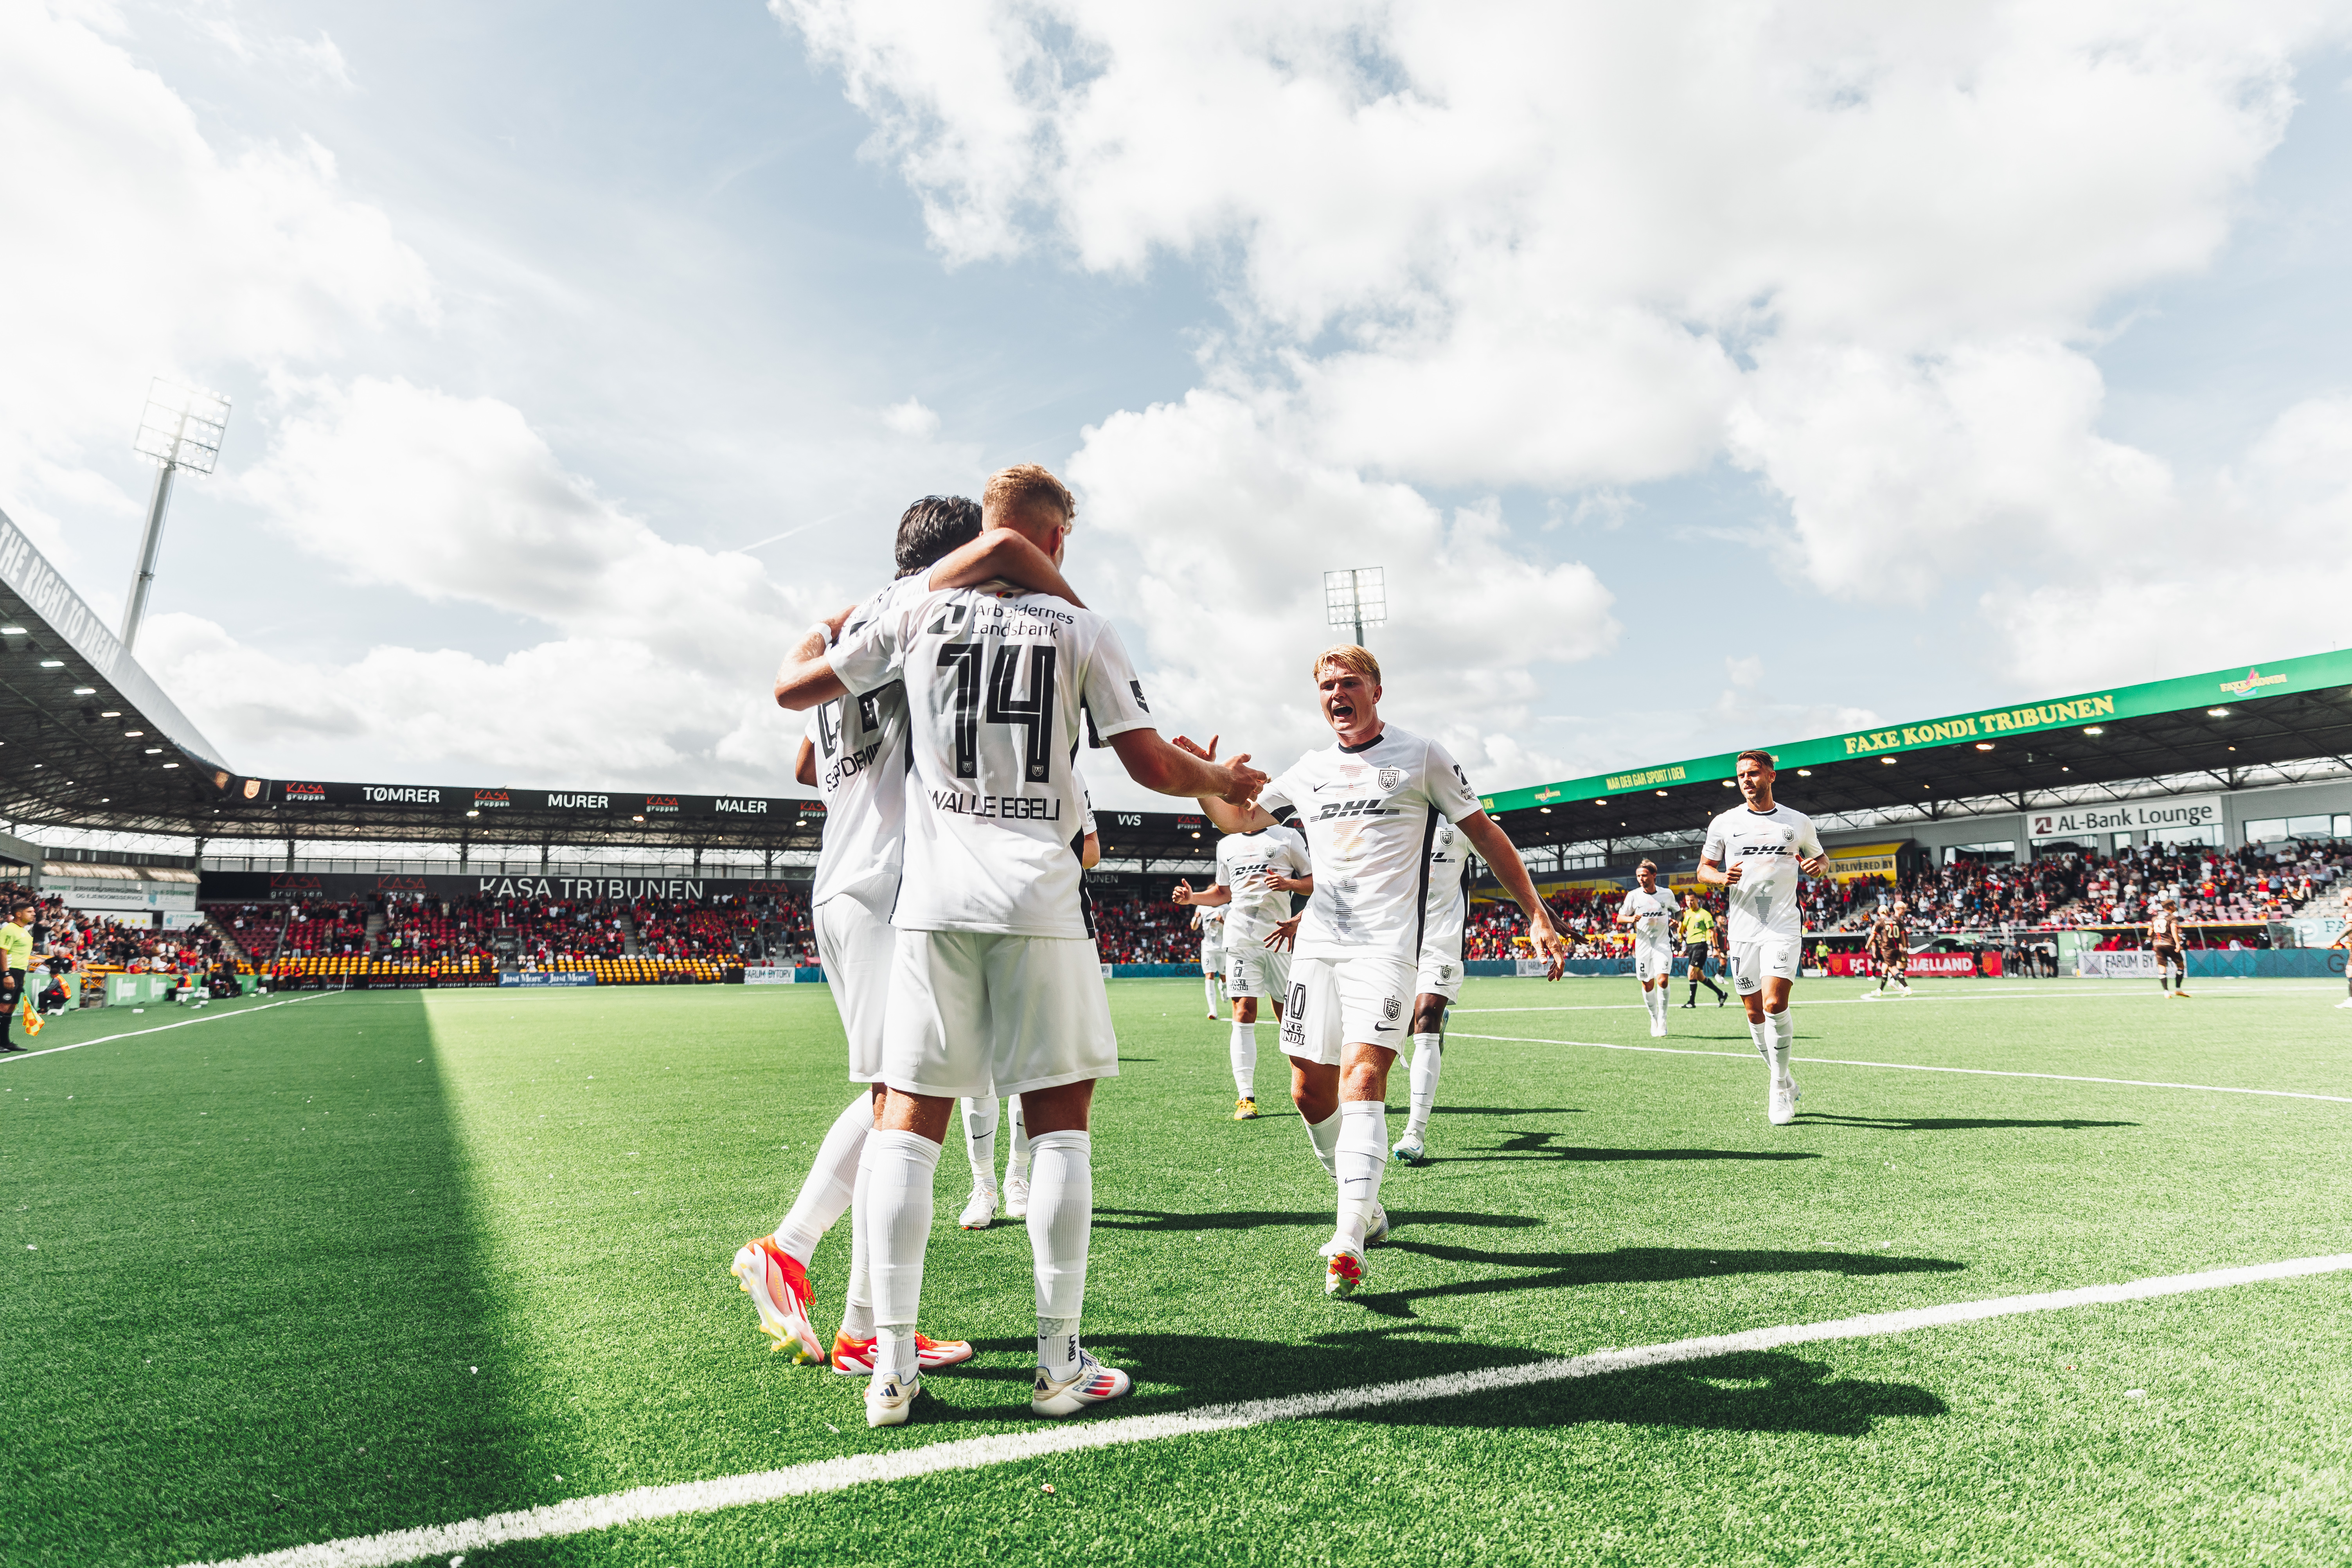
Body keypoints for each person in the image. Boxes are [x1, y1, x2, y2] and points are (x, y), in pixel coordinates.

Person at [774, 462, 1266, 1428]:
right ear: (1057, 540)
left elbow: (801, 701)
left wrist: (831, 623)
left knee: (906, 1122)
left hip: (929, 903)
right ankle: (1057, 1367)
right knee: (1058, 1124)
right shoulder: (1084, 625)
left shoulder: (913, 614)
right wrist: (1220, 779)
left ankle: (889, 1372)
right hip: (1038, 895)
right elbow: (1150, 764)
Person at [733, 495, 1082, 1379]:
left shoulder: (854, 628)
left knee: (904, 1091)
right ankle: (789, 1249)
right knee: (913, 1093)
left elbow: (806, 763)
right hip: (898, 877)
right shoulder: (925, 616)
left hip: (840, 876)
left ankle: (861, 1322)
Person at [1183, 644, 1566, 1297]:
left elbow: (1485, 833)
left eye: (1350, 682)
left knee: (1363, 1076)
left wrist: (1534, 910)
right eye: (1327, 685)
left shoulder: (1422, 755)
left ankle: (1348, 1236)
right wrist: (1203, 779)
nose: (1337, 694)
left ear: (1376, 690)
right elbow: (1239, 817)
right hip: (1317, 945)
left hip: (1387, 947)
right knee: (1309, 1092)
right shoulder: (1309, 769)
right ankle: (1367, 1205)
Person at [960, 790, 1102, 1225]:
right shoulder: (963, 759)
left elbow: (1092, 850)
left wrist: (1032, 862)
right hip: (969, 923)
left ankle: (1017, 1177)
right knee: (978, 1072)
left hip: (1039, 927)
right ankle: (983, 1185)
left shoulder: (1067, 768)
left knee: (1034, 1065)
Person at [1698, 750, 1827, 1127]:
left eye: (1753, 773)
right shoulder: (1725, 823)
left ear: (1771, 775)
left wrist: (1817, 867)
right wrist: (1720, 878)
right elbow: (1704, 870)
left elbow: (1822, 860)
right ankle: (1786, 1080)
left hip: (1782, 925)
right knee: (1754, 1013)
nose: (1746, 780)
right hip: (1742, 930)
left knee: (1773, 1004)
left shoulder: (1797, 822)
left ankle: (1778, 1090)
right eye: (1741, 775)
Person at [1174, 819, 1312, 1120]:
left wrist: (1290, 885)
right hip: (1239, 942)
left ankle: (1311, 1089)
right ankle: (1246, 1097)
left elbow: (1315, 882)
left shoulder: (1287, 837)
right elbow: (1223, 893)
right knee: (1243, 1012)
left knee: (1289, 1018)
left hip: (1278, 939)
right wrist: (1193, 899)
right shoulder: (1227, 845)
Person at [1391, 811, 1473, 1165]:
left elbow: (1505, 861)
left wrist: (1540, 915)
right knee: (1400, 1026)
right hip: (1396, 940)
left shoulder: (1462, 822)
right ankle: (1437, 1025)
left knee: (1425, 1015)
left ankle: (1415, 1133)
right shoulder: (1395, 819)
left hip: (1441, 942)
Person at [1614, 860, 1680, 1038]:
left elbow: (1678, 911)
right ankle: (1654, 1018)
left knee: (1663, 981)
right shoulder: (1633, 896)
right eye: (1638, 876)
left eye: (1644, 875)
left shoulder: (1667, 894)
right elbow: (1620, 918)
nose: (1641, 879)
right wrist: (1631, 919)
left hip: (1662, 943)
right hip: (1643, 946)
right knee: (1647, 983)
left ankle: (1663, 1018)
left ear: (1654, 875)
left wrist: (1676, 921)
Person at [1679, 895, 1726, 1007]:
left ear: (1697, 900)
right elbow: (1683, 927)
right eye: (1688, 901)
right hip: (1691, 946)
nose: (1690, 903)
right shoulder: (1687, 913)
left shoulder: (1705, 914)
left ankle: (1691, 1002)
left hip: (1701, 946)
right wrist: (1679, 932)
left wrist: (1715, 948)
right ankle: (1722, 994)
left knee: (1691, 973)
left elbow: (1712, 932)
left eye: (1692, 900)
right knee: (1700, 976)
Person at [0, 901, 32, 1052]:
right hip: (9, 972)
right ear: (19, 914)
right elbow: (2, 952)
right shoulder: (9, 929)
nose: (34, 914)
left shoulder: (24, 931)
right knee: (3, 1007)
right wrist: (6, 974)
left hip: (19, 973)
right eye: (30, 912)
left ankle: (5, 1042)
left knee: (11, 1008)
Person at [1867, 901, 1913, 998]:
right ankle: (1880, 990)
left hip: (1887, 949)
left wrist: (1868, 945)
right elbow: (1902, 936)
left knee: (1894, 969)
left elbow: (1873, 936)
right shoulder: (1896, 921)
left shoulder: (1880, 922)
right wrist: (1904, 947)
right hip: (1897, 948)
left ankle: (1906, 987)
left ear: (1879, 913)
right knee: (1884, 968)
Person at [1193, 901, 1227, 1020]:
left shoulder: (1226, 908)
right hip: (1208, 948)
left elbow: (1233, 928)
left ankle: (1223, 987)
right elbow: (1194, 927)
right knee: (1209, 975)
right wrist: (1196, 918)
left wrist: (1223, 921)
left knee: (1224, 977)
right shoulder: (1201, 907)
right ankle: (1213, 1011)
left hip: (1223, 948)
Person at [2152, 895, 2188, 998]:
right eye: (2174, 905)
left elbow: (2150, 932)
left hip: (2157, 944)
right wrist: (2178, 943)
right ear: (2171, 907)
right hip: (2169, 943)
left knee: (2162, 968)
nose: (2175, 907)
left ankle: (2166, 992)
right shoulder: (2172, 918)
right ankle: (2178, 989)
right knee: (2181, 966)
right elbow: (2173, 929)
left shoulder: (2155, 918)